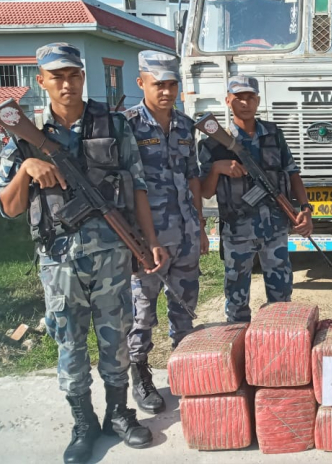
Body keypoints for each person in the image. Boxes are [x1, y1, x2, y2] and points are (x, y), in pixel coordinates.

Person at [0, 43, 168, 463]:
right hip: (59, 261)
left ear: (83, 77)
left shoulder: (113, 124)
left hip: (111, 256)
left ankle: (118, 414)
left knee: (116, 341)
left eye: (73, 74)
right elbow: (8, 207)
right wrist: (25, 169)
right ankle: (83, 423)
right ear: (41, 82)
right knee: (70, 344)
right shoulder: (24, 135)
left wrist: (150, 242)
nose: (67, 83)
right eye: (57, 76)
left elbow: (138, 188)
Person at [124, 51, 208, 414]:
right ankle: (140, 375)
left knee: (185, 309)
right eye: (159, 84)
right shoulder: (125, 125)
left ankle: (183, 372)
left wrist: (201, 228)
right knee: (142, 311)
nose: (167, 91)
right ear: (141, 83)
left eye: (172, 84)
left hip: (186, 233)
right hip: (148, 239)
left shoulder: (186, 126)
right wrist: (137, 239)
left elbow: (193, 177)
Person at [199, 74, 313, 322]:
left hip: (275, 227)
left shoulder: (273, 134)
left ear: (258, 100)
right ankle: (238, 344)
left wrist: (305, 208)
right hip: (237, 230)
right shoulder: (213, 143)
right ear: (228, 101)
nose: (245, 103)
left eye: (250, 97)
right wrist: (217, 168)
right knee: (237, 297)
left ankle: (277, 340)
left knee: (281, 295)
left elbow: (292, 173)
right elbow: (205, 192)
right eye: (239, 97)